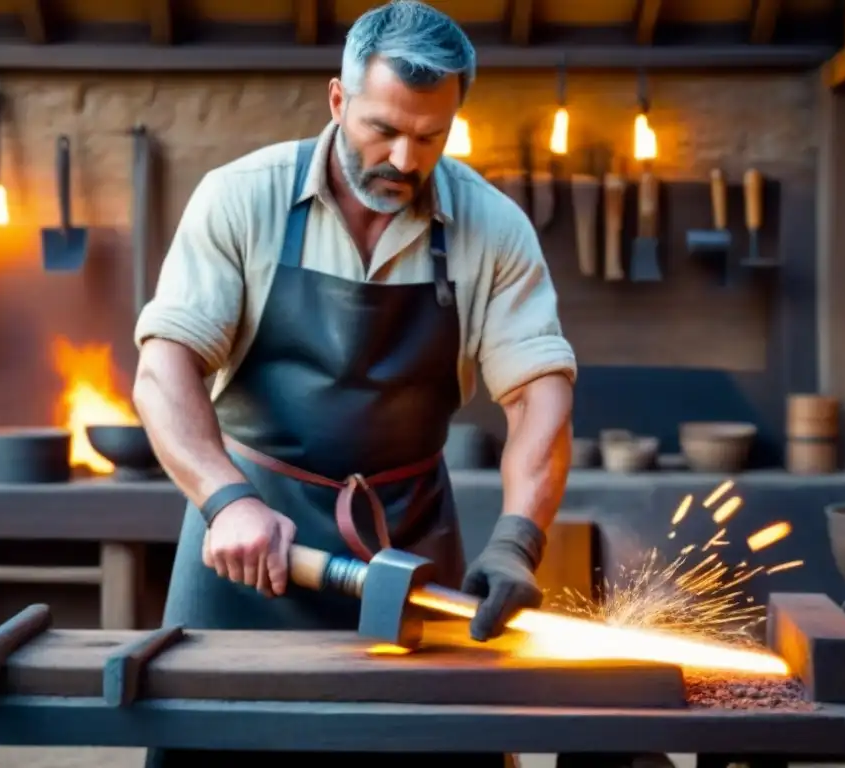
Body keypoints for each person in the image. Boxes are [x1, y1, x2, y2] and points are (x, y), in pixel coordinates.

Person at [133, 1, 576, 765]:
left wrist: (516, 541)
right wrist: (225, 498)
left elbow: (540, 394)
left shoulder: (491, 228)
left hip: (408, 548)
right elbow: (162, 367)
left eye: (431, 136)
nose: (405, 159)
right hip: (245, 546)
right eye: (383, 129)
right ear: (338, 101)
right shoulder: (243, 198)